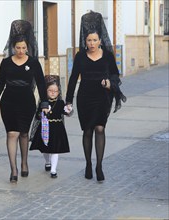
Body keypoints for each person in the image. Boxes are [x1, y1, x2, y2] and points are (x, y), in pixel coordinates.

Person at [65, 11, 126, 182]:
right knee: (87, 130)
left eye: (94, 40)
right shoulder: (79, 57)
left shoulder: (107, 56)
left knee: (100, 128)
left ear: (100, 41)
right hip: (84, 97)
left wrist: (109, 84)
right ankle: (88, 164)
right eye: (88, 40)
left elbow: (115, 74)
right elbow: (72, 79)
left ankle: (99, 165)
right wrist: (68, 100)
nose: (91, 43)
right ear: (85, 41)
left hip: (102, 98)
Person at [0, 20, 49, 183]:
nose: (21, 51)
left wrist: (44, 102)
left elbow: (41, 83)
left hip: (26, 102)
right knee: (11, 133)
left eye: (24, 48)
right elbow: (0, 82)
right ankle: (13, 169)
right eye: (18, 48)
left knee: (24, 133)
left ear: (27, 47)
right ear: (13, 47)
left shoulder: (33, 63)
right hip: (8, 102)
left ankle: (24, 162)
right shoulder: (6, 63)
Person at [30, 75, 71, 178]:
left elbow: (65, 112)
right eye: (50, 90)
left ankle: (53, 169)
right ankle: (47, 161)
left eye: (55, 91)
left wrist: (68, 110)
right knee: (45, 149)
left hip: (57, 129)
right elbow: (37, 116)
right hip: (45, 128)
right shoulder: (43, 103)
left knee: (55, 150)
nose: (53, 93)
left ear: (58, 92)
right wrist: (42, 112)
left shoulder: (60, 102)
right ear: (46, 91)